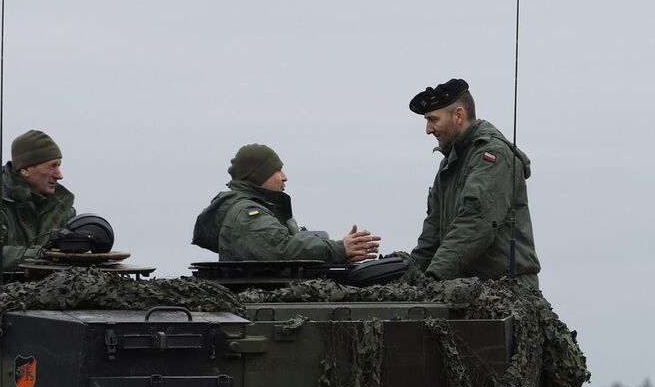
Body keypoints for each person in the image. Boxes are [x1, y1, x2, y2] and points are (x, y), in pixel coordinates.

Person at [408, 78, 538, 286]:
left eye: (433, 119)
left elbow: (476, 221)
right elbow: (432, 234)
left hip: (503, 291)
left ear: (459, 115)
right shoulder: (450, 164)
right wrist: (409, 275)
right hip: (463, 288)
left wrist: (433, 277)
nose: (428, 129)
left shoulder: (492, 156)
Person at [192, 143, 380, 263]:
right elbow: (280, 250)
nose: (284, 177)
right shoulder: (247, 213)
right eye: (277, 170)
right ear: (259, 174)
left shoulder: (255, 209)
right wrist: (338, 249)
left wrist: (340, 255)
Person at [0, 129, 76, 275]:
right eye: (52, 166)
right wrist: (44, 256)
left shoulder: (59, 205)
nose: (59, 175)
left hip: (42, 294)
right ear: (25, 170)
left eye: (59, 165)